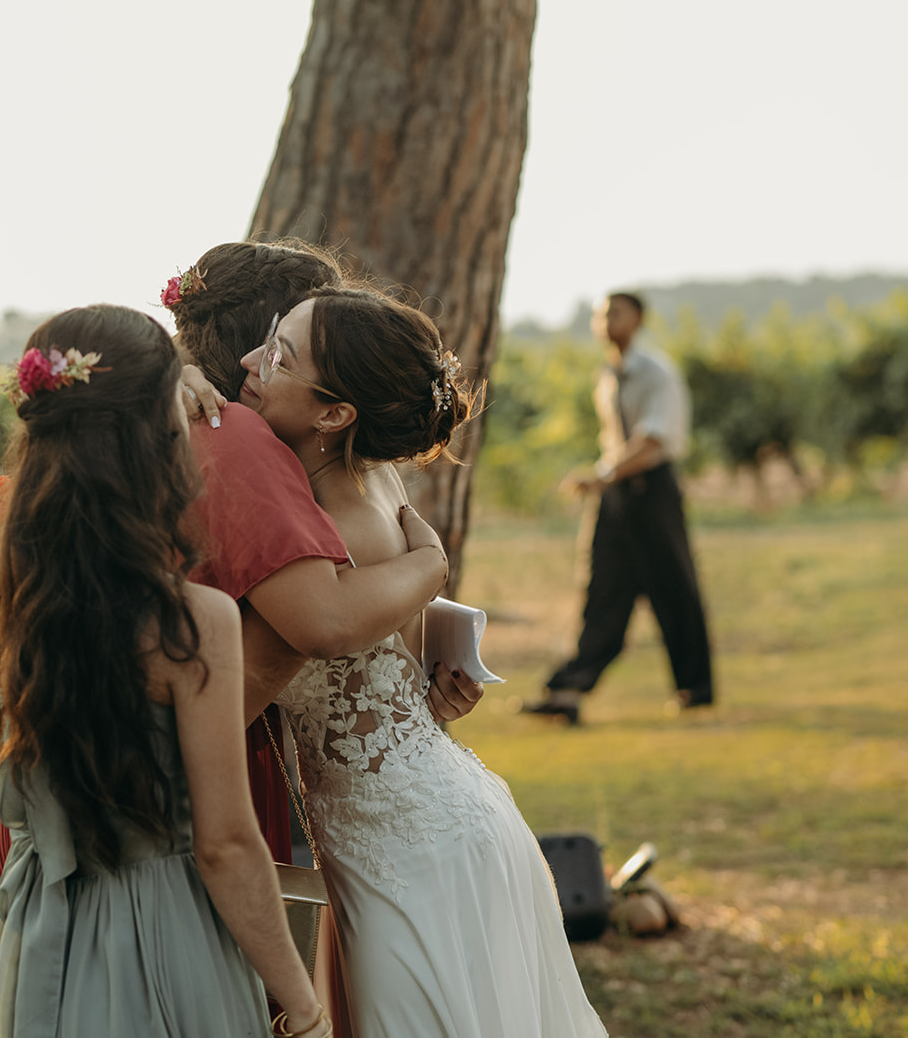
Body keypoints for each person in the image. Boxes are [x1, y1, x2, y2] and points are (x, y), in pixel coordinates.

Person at [241, 289, 606, 1037]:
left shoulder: (329, 527)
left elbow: (333, 627)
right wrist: (424, 684)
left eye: (279, 355)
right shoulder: (370, 477)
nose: (252, 361)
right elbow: (388, 640)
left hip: (412, 851)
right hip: (430, 816)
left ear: (335, 414)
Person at [0, 305, 329, 1038]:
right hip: (163, 936)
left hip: (38, 935)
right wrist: (305, 1005)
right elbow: (226, 846)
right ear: (156, 440)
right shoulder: (188, 623)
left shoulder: (7, 594)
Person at [524, 291, 713, 724]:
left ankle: (694, 688)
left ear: (638, 319)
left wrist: (604, 474)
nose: (606, 322)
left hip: (652, 488)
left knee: (673, 588)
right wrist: (606, 479)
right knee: (602, 588)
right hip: (615, 492)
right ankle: (568, 690)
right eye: (600, 315)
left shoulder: (655, 372)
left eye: (615, 313)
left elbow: (653, 440)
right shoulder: (608, 375)